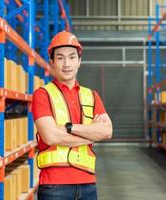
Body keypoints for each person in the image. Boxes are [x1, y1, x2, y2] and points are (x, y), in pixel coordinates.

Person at [32, 31, 113, 200]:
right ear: (52, 62)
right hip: (54, 186)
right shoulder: (42, 95)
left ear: (79, 61)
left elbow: (107, 131)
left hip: (88, 184)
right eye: (60, 58)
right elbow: (51, 137)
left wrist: (70, 128)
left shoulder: (92, 95)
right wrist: (91, 134)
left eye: (72, 57)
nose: (67, 63)